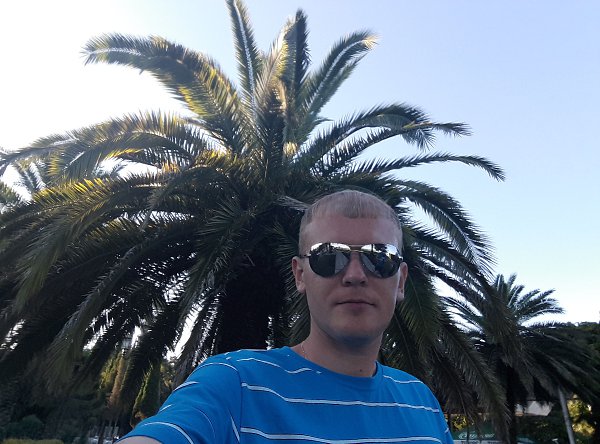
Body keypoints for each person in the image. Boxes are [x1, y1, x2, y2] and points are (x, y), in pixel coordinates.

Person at [119, 190, 453, 444]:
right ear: (300, 274)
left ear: (401, 280)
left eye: (379, 258)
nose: (355, 275)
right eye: (329, 257)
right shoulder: (234, 384)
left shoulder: (422, 402)